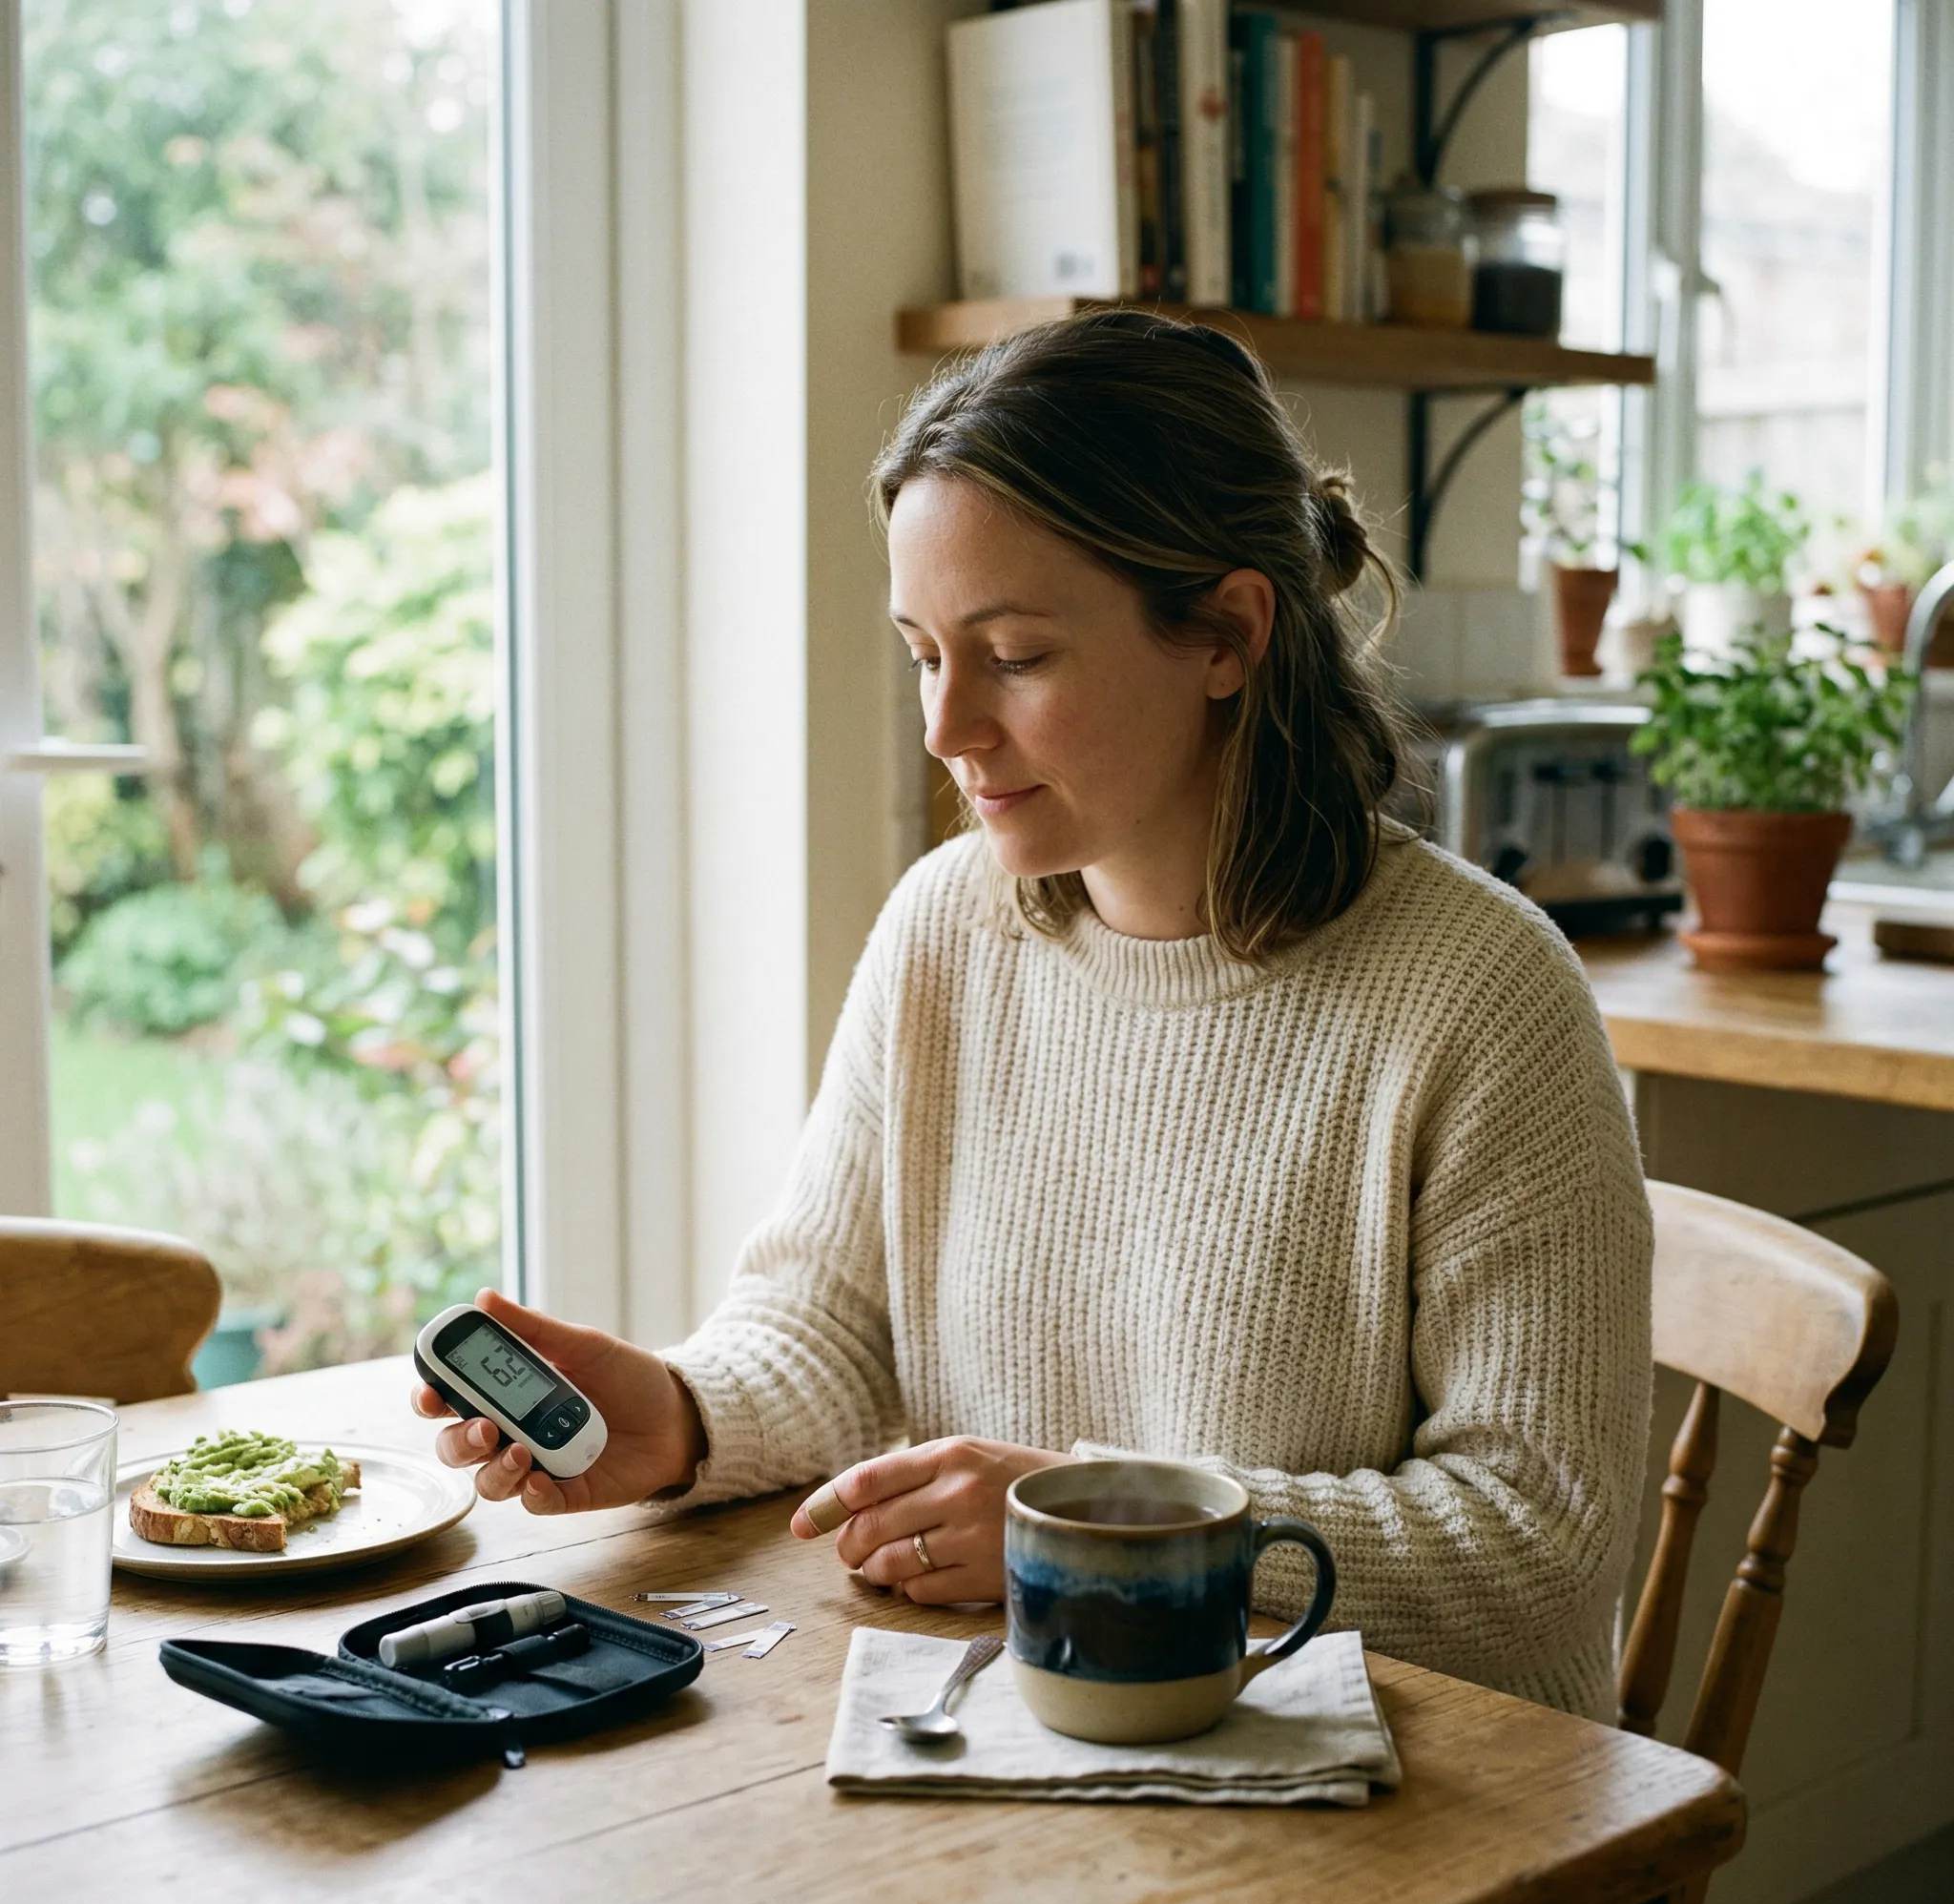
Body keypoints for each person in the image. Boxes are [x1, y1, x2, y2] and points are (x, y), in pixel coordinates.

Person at [416, 311, 1652, 1722]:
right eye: (923, 652)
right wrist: (682, 1414)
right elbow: (833, 1323)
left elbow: (1535, 1537)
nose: (948, 726)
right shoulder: (947, 929)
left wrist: (1102, 1523)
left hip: (1428, 1812)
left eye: (1013, 654)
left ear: (1229, 636)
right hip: (1060, 1736)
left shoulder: (1485, 999)